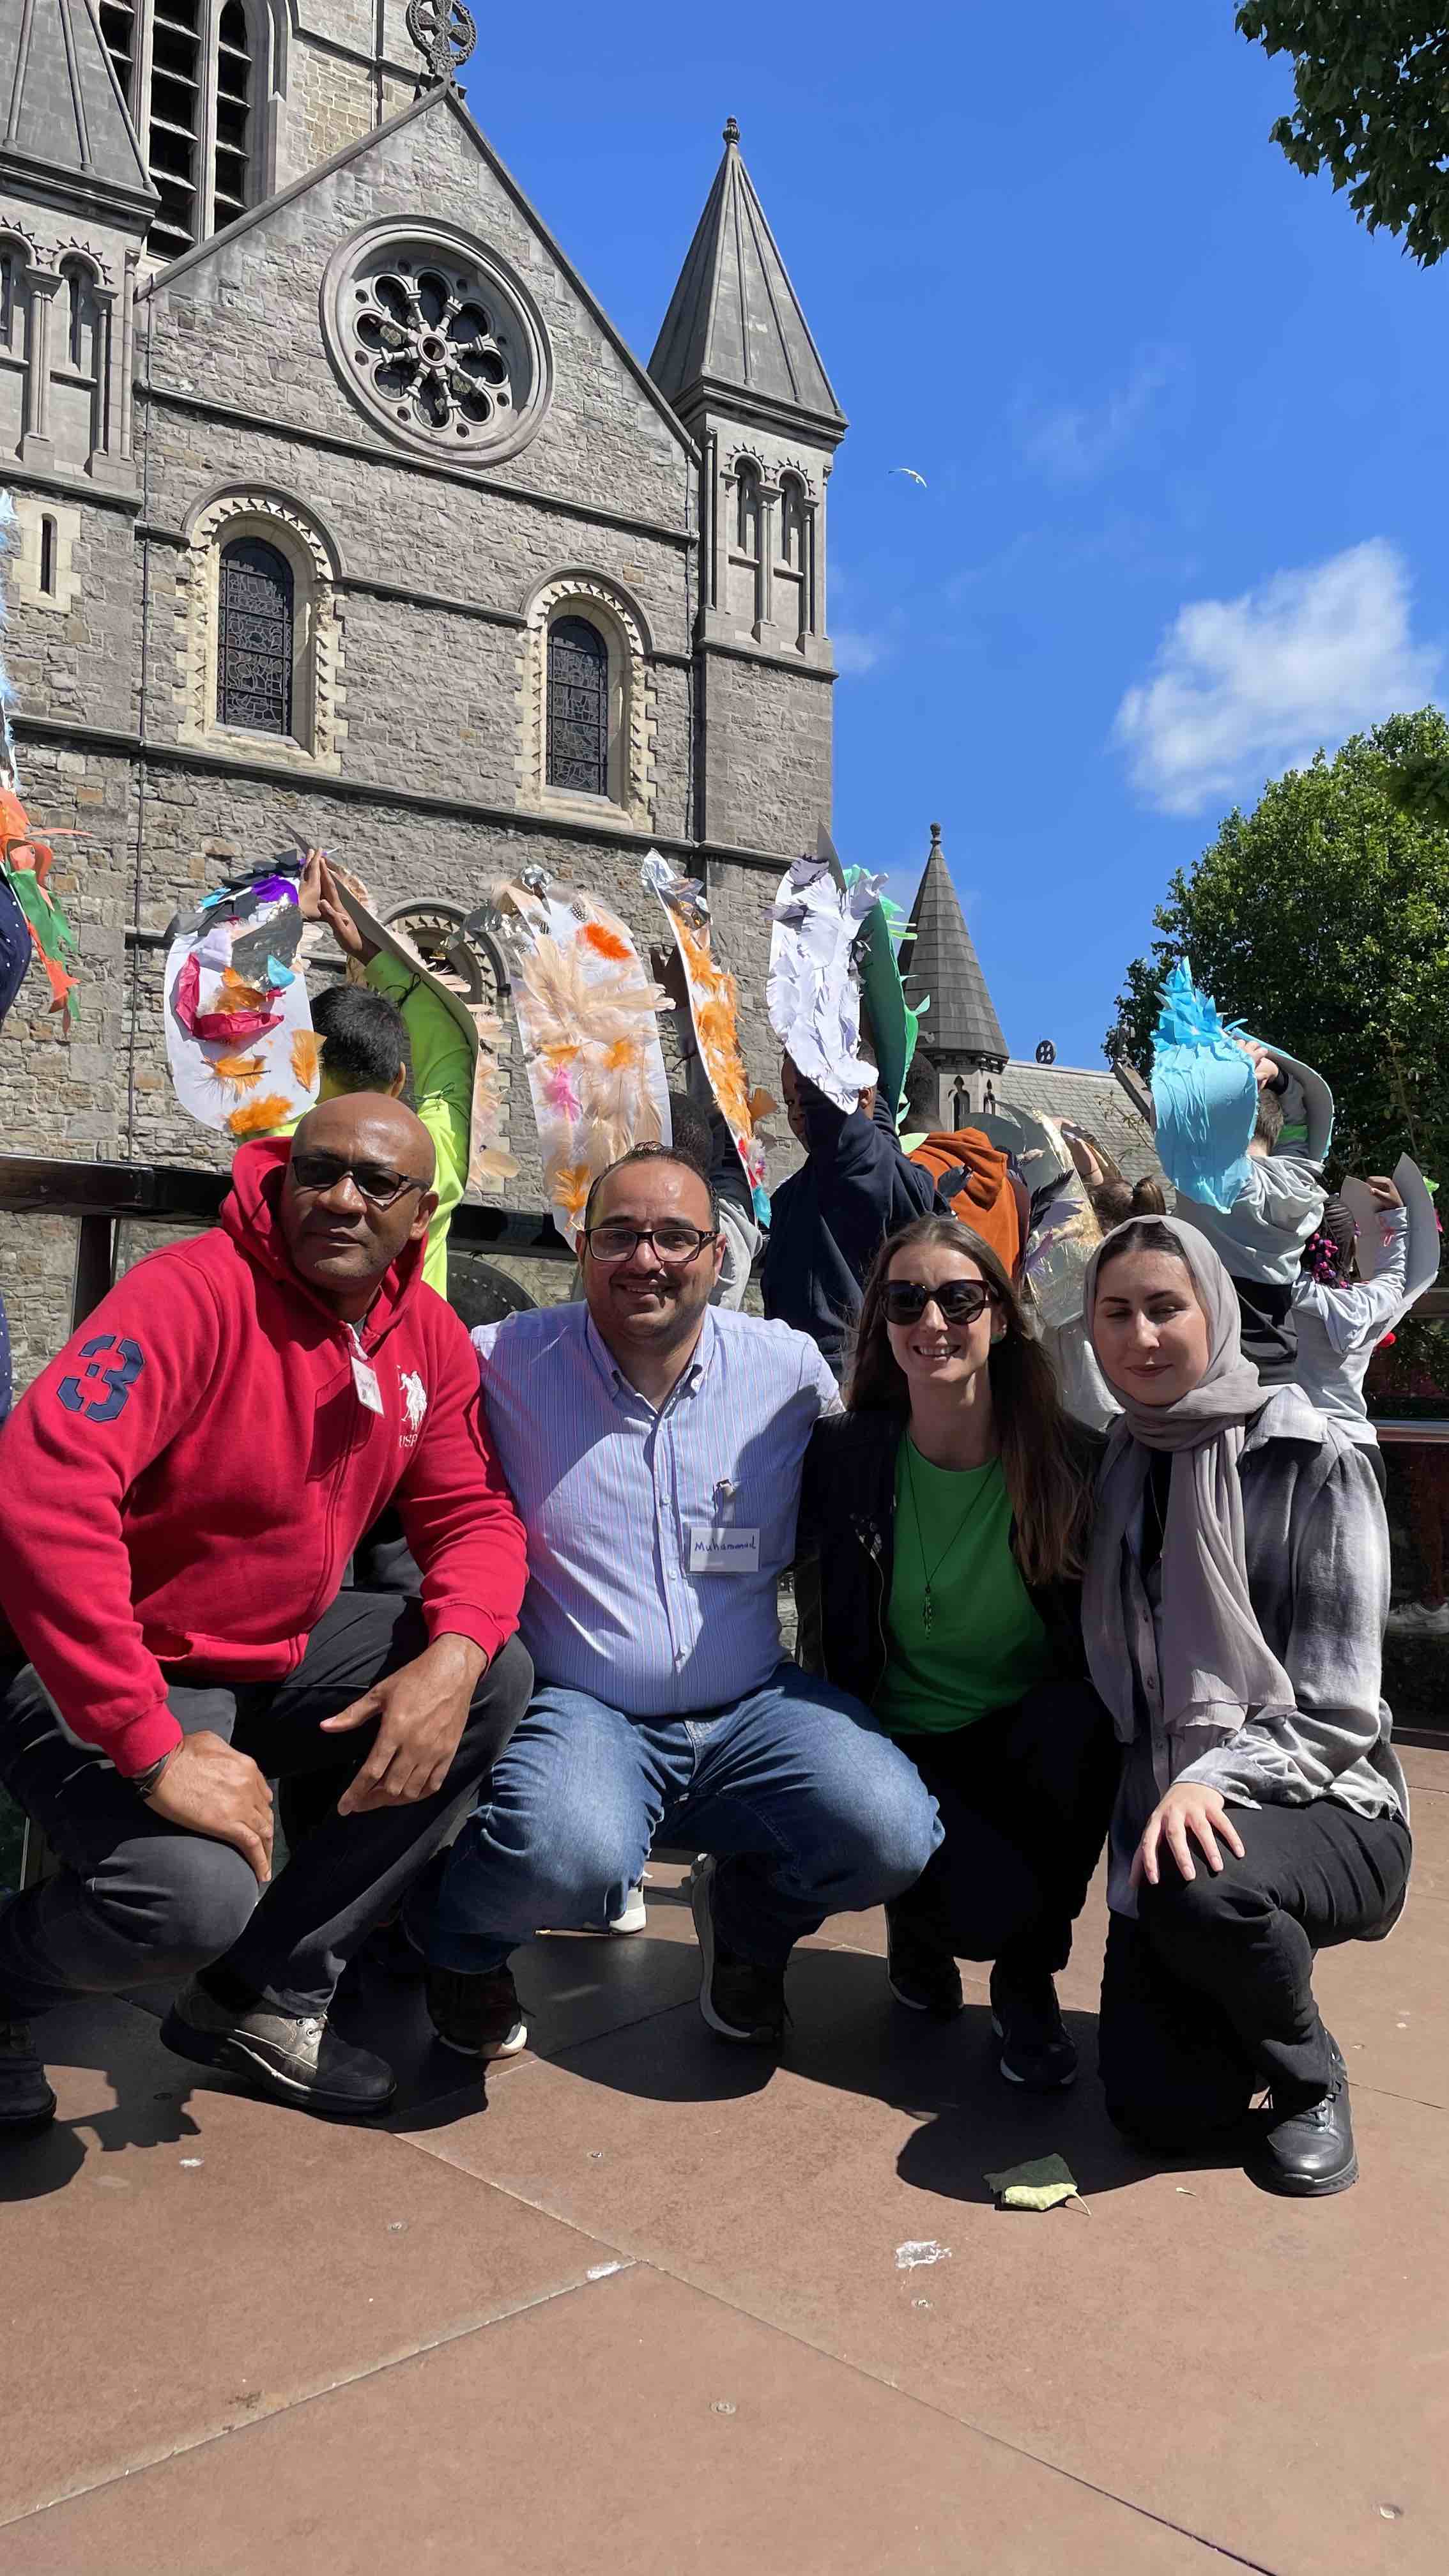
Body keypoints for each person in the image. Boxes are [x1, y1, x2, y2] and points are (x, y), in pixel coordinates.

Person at [0, 1094, 531, 2135]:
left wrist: (457, 1653)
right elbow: (41, 1490)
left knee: (491, 1674)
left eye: (375, 1182)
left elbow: (472, 1513)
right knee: (185, 1899)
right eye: (317, 1169)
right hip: (109, 1659)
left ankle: (261, 1995)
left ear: (417, 1214)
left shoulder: (421, 1332)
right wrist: (151, 1746)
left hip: (265, 1652)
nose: (340, 1196)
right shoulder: (191, 1295)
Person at [412, 1140, 941, 2059]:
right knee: (570, 1855)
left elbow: (872, 1478)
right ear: (582, 1251)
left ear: (718, 1254)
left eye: (673, 1237)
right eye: (618, 1236)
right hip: (585, 1708)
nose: (645, 1259)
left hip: (753, 1705)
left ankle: (748, 1922)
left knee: (894, 1833)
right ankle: (461, 1948)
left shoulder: (786, 1372)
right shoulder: (500, 1363)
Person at [1083, 1215, 1409, 2197]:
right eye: (1117, 1314)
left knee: (1206, 1888)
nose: (1142, 1337)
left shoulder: (1315, 1456)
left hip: (1330, 1806)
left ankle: (1311, 2075)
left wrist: (1207, 1780)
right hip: (1173, 1820)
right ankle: (1241, 1987)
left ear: (1213, 1312)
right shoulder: (1122, 1458)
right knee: (1156, 2113)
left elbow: (1339, 1712)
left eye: (1165, 1308)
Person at [797, 1215, 1112, 2088]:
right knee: (967, 1913)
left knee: (1084, 1718)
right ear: (883, 1327)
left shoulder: (1069, 1464)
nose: (932, 1321)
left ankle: (1027, 1981)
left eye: (959, 1298)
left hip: (1021, 1742)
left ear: (1002, 1317)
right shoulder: (845, 1459)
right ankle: (920, 1920)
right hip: (895, 1745)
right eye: (906, 1300)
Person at [1164, 1038, 1330, 1384]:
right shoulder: (1300, 1179)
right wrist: (1281, 1079)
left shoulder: (1212, 1182)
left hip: (1219, 1366)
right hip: (1283, 1364)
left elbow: (1175, 1122)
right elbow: (1300, 1124)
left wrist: (1236, 1086)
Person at [762, 1050, 936, 1377]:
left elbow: (856, 1133)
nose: (798, 1114)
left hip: (845, 1386)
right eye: (790, 1103)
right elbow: (877, 1117)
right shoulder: (791, 1194)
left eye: (809, 1097)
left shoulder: (870, 1168)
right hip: (788, 1382)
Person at [1291, 1179, 1407, 1489]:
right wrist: (1396, 1216)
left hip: (1298, 1451)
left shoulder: (1288, 1297)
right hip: (1363, 1452)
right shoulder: (1373, 1302)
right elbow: (1394, 1276)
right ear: (1353, 1247)